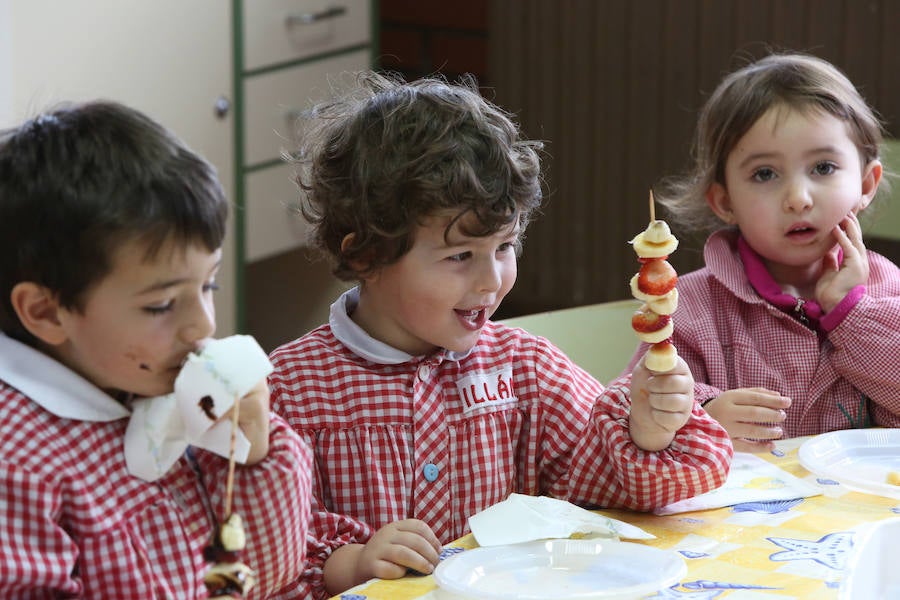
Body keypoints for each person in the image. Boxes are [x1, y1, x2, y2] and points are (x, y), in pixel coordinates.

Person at [267, 70, 733, 599]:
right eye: (460, 256)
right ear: (364, 255)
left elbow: (621, 493)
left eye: (504, 247)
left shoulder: (525, 370)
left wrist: (648, 431)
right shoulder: (289, 391)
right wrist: (348, 565)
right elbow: (253, 555)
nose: (492, 281)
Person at [0, 101, 314, 597]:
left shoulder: (159, 381)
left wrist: (253, 453)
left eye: (208, 286)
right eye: (162, 304)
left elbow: (264, 578)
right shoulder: (20, 462)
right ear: (45, 312)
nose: (202, 325)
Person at [624, 52, 900, 453]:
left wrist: (850, 314)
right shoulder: (692, 309)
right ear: (724, 201)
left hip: (860, 511)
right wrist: (704, 414)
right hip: (738, 510)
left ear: (866, 183)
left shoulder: (888, 290)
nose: (798, 198)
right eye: (765, 174)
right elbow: (638, 405)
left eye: (823, 168)